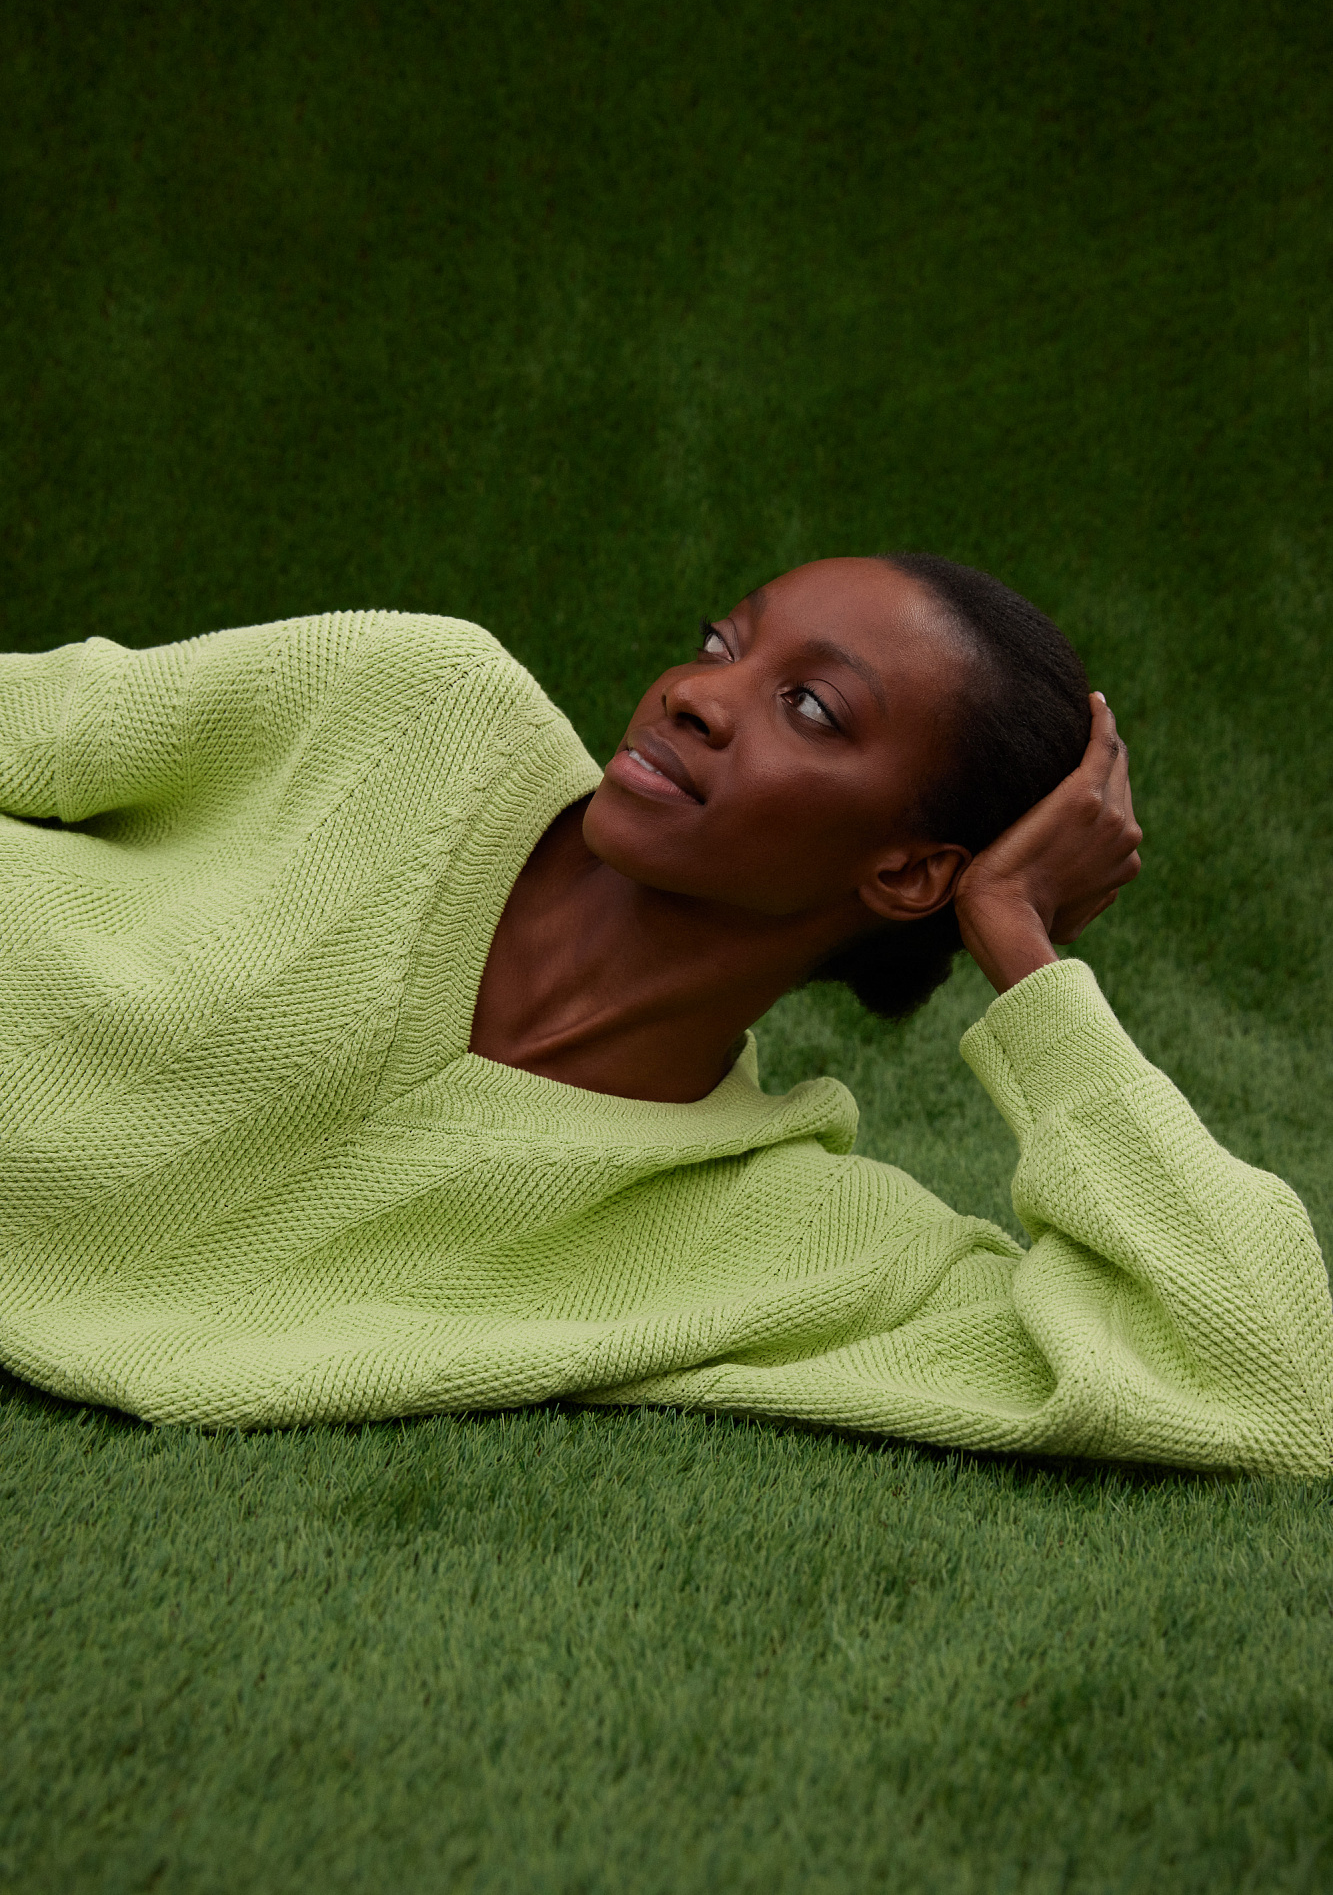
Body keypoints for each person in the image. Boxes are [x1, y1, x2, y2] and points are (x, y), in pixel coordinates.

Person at [0, 554, 1329, 1473]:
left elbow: (1265, 1384)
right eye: (721, 645)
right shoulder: (416, 704)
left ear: (908, 872)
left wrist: (1024, 953)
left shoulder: (781, 1241)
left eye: (808, 707)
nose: (694, 694)